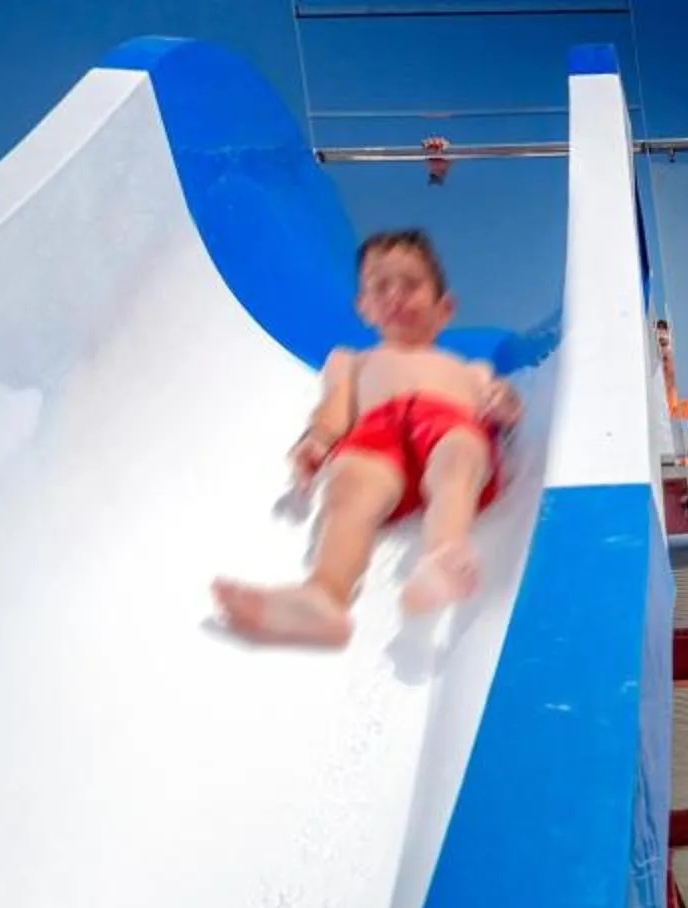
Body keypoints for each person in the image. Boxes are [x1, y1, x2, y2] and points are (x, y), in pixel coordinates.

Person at [213, 229, 521, 647]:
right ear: (364, 307)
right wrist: (317, 441)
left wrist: (505, 404)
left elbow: (501, 403)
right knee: (348, 488)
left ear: (444, 308)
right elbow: (335, 410)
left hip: (446, 425)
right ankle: (324, 596)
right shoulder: (350, 361)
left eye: (411, 285)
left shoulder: (471, 370)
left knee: (461, 455)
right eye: (380, 286)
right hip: (377, 434)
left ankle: (443, 554)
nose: (395, 294)